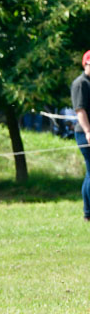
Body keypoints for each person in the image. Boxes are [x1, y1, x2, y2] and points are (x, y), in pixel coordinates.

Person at [70, 50, 90, 222]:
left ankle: (87, 212)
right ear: (86, 64)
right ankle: (88, 212)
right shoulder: (80, 84)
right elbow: (80, 110)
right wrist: (88, 132)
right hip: (85, 133)